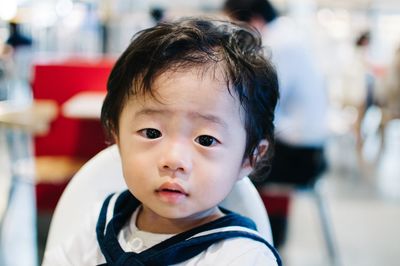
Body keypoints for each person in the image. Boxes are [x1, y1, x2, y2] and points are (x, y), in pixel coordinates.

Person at [43, 17, 281, 265]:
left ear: (250, 156)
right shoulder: (99, 224)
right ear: (116, 136)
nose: (173, 160)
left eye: (206, 140)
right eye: (151, 133)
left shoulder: (242, 257)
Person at [224, 0, 328, 248]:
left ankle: (253, 243)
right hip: (302, 147)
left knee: (228, 164)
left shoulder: (279, 45)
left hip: (299, 156)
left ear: (255, 20)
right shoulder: (288, 36)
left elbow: (263, 103)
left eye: (236, 25)